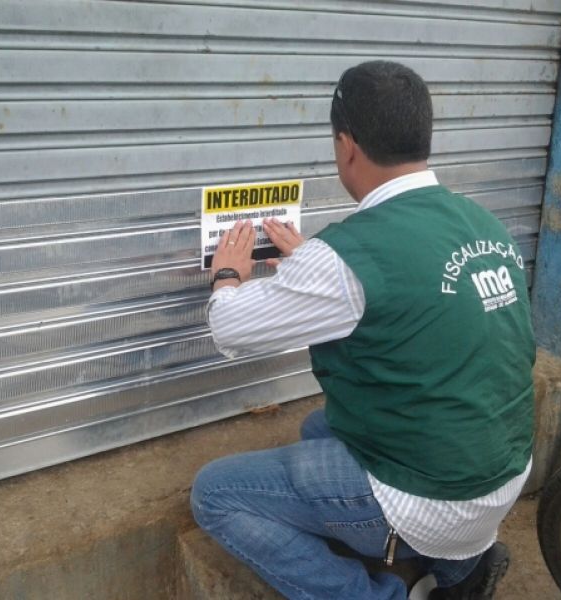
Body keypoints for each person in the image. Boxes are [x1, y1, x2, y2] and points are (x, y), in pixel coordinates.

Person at [190, 60, 534, 600]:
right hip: (502, 473)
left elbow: (231, 328)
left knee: (215, 494)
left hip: (431, 498)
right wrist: (316, 267)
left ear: (346, 146)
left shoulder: (348, 256)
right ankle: (462, 572)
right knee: (320, 427)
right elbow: (409, 293)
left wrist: (228, 275)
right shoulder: (483, 223)